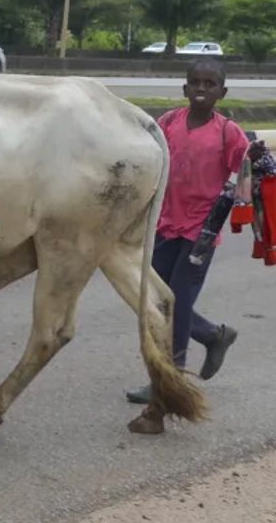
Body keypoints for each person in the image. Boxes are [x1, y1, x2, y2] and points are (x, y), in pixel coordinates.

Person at [126, 59, 247, 405]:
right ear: (184, 88)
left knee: (175, 303)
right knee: (154, 299)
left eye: (210, 84)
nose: (201, 89)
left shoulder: (227, 132)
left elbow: (246, 175)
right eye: (195, 83)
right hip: (165, 224)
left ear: (221, 93)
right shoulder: (168, 123)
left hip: (201, 232)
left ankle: (170, 379)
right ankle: (211, 335)